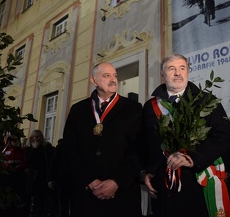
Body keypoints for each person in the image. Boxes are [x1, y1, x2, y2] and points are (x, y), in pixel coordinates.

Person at [141, 53, 230, 217]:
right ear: (163, 74)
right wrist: (144, 172)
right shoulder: (150, 106)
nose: (177, 73)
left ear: (188, 72)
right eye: (171, 69)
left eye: (182, 68)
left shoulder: (207, 101)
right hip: (162, 185)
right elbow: (144, 143)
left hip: (197, 182)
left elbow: (223, 137)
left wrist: (193, 158)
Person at [62, 62, 143, 216]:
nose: (113, 79)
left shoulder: (133, 108)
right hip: (87, 196)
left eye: (115, 76)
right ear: (93, 80)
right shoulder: (78, 110)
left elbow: (139, 149)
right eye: (107, 76)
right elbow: (70, 149)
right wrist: (90, 181)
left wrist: (116, 181)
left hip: (122, 195)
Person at [24, 129, 56, 217]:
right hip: (35, 180)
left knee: (48, 203)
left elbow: (51, 162)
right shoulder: (29, 149)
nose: (38, 138)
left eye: (40, 136)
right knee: (35, 203)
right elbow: (27, 161)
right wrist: (34, 149)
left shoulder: (47, 148)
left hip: (45, 178)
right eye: (36, 136)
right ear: (32, 138)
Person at [48, 138, 70, 217]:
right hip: (63, 179)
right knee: (63, 204)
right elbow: (54, 162)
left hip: (71, 179)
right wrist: (50, 179)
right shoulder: (61, 146)